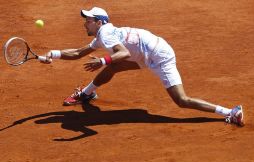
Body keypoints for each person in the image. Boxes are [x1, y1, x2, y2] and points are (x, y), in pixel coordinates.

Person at [44, 7, 244, 127]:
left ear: (98, 22)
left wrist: (103, 60)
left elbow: (124, 54)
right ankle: (88, 93)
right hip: (146, 51)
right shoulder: (102, 34)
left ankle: (230, 112)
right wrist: (51, 54)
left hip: (159, 55)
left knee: (181, 100)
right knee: (114, 68)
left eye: (87, 21)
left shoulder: (106, 34)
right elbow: (78, 53)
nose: (84, 24)